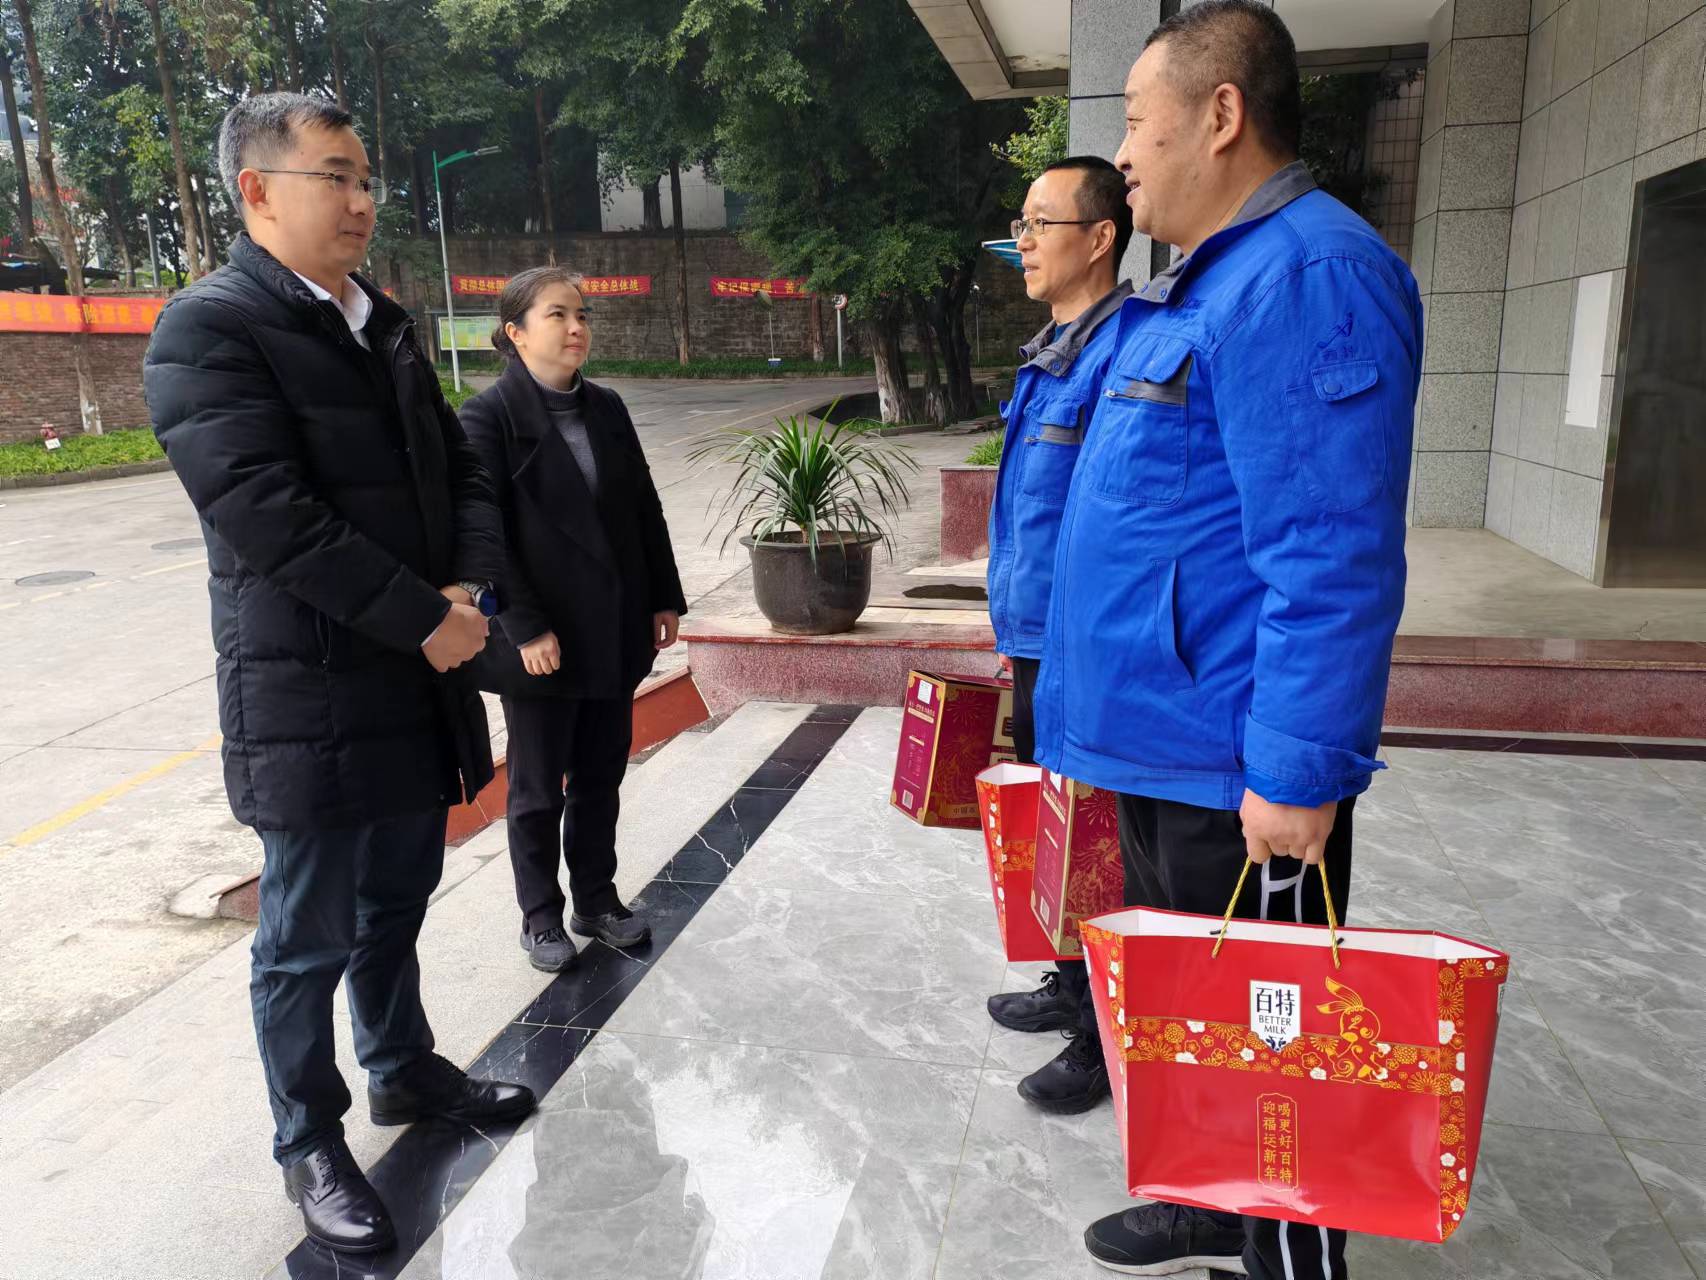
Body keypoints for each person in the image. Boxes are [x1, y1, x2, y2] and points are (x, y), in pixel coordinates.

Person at [1028, 4, 1423, 1276]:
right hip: (1164, 740)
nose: (1121, 154)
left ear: (1219, 114)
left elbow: (1329, 550)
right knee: (1198, 1014)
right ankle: (1210, 1200)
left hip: (1231, 762)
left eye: (1135, 122)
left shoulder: (1307, 277)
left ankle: (1283, 1253)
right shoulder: (1217, 276)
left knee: (1274, 1035)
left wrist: (1295, 771)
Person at [143, 93, 536, 1256]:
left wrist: (467, 588)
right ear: (257, 189)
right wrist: (423, 619)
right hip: (307, 689)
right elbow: (267, 513)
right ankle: (308, 1138)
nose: (362, 200)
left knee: (397, 898)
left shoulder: (382, 323)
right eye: (336, 176)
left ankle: (403, 1068)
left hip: (417, 673)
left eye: (367, 178)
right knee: (305, 935)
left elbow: (463, 469)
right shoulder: (207, 329)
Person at [458, 267, 687, 974]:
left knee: (600, 775)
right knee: (535, 790)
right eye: (557, 315)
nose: (577, 327)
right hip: (542, 639)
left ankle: (596, 898)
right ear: (515, 332)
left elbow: (643, 507)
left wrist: (663, 596)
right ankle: (539, 916)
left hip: (611, 625)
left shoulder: (606, 407)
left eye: (582, 314)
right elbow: (484, 535)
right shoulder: (487, 418)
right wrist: (525, 627)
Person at [981, 156, 1132, 1115]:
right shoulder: (1054, 351)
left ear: (1101, 238)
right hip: (1040, 635)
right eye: (1021, 225)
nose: (1024, 243)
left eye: (1042, 224)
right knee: (1060, 826)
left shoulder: (1123, 352)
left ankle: (1101, 1030)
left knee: (1099, 836)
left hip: (1087, 647)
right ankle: (1071, 983)